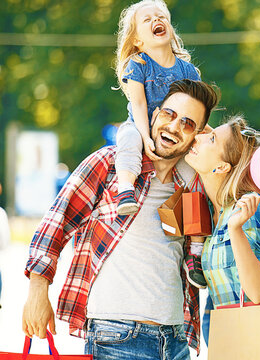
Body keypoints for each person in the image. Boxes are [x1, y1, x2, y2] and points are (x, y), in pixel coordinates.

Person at [22, 79, 220, 360]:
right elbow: (56, 222)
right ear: (153, 115)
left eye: (188, 124)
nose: (174, 127)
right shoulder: (111, 165)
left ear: (197, 135)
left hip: (175, 339)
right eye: (169, 114)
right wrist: (37, 291)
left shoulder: (191, 185)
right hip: (116, 337)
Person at [113, 0, 208, 289]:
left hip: (175, 137)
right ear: (138, 39)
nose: (157, 20)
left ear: (168, 27)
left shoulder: (188, 70)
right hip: (142, 127)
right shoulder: (138, 64)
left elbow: (199, 114)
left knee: (195, 181)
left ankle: (195, 253)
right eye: (148, 19)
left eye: (161, 16)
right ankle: (126, 190)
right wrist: (145, 137)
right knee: (126, 138)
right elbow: (139, 105)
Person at [184, 116, 260, 309]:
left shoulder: (252, 210)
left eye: (212, 139)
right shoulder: (210, 211)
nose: (199, 138)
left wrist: (235, 230)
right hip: (229, 333)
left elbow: (259, 293)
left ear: (222, 167)